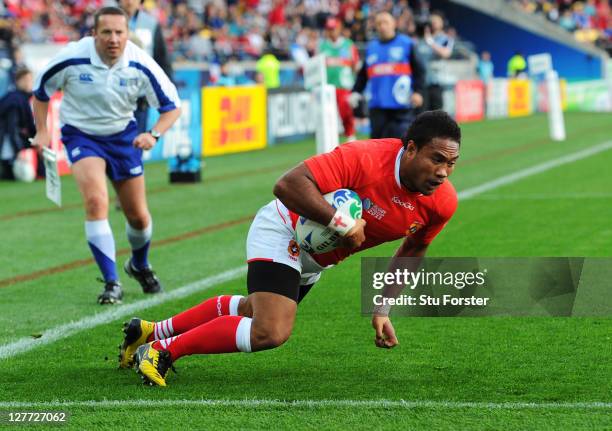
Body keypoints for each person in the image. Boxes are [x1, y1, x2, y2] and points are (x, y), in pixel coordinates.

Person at [119, 110, 461, 386]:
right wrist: (342, 224)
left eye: (451, 164)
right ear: (412, 148)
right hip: (282, 229)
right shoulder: (365, 157)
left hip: (318, 259)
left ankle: (151, 331)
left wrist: (383, 306)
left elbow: (412, 252)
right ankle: (162, 351)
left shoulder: (441, 204)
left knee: (253, 310)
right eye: (437, 159)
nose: (443, 172)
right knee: (270, 330)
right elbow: (287, 184)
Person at [31, 7, 181, 304]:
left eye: (119, 32)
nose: (113, 39)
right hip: (81, 135)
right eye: (106, 32)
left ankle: (139, 264)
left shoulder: (140, 62)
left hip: (123, 137)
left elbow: (171, 106)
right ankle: (112, 282)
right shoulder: (72, 57)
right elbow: (41, 92)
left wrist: (153, 134)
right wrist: (43, 131)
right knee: (96, 200)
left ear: (128, 35)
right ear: (93, 34)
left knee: (138, 217)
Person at [351, 12, 425, 139]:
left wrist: (418, 91)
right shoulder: (371, 47)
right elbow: (363, 74)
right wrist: (356, 91)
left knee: (401, 144)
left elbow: (419, 70)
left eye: (386, 22)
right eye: (379, 23)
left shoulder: (406, 44)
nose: (382, 26)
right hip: (377, 105)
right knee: (377, 145)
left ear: (394, 24)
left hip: (401, 105)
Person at [119, 0, 174, 134]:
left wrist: (167, 88)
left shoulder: (151, 23)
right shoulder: (107, 20)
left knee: (137, 142)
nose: (129, 1)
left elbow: (161, 57)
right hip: (113, 95)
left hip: (140, 96)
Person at [318, 17, 359, 142]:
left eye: (333, 29)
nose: (331, 32)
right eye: (329, 29)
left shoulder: (348, 45)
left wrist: (352, 82)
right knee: (329, 115)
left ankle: (350, 135)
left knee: (346, 110)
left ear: (339, 28)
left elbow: (355, 64)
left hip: (344, 85)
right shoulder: (322, 46)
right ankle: (332, 139)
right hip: (328, 86)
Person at [0, 67, 36, 180]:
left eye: (30, 80)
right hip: (6, 141)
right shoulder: (14, 101)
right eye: (25, 80)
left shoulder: (21, 98)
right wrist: (18, 151)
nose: (28, 83)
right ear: (18, 81)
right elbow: (12, 128)